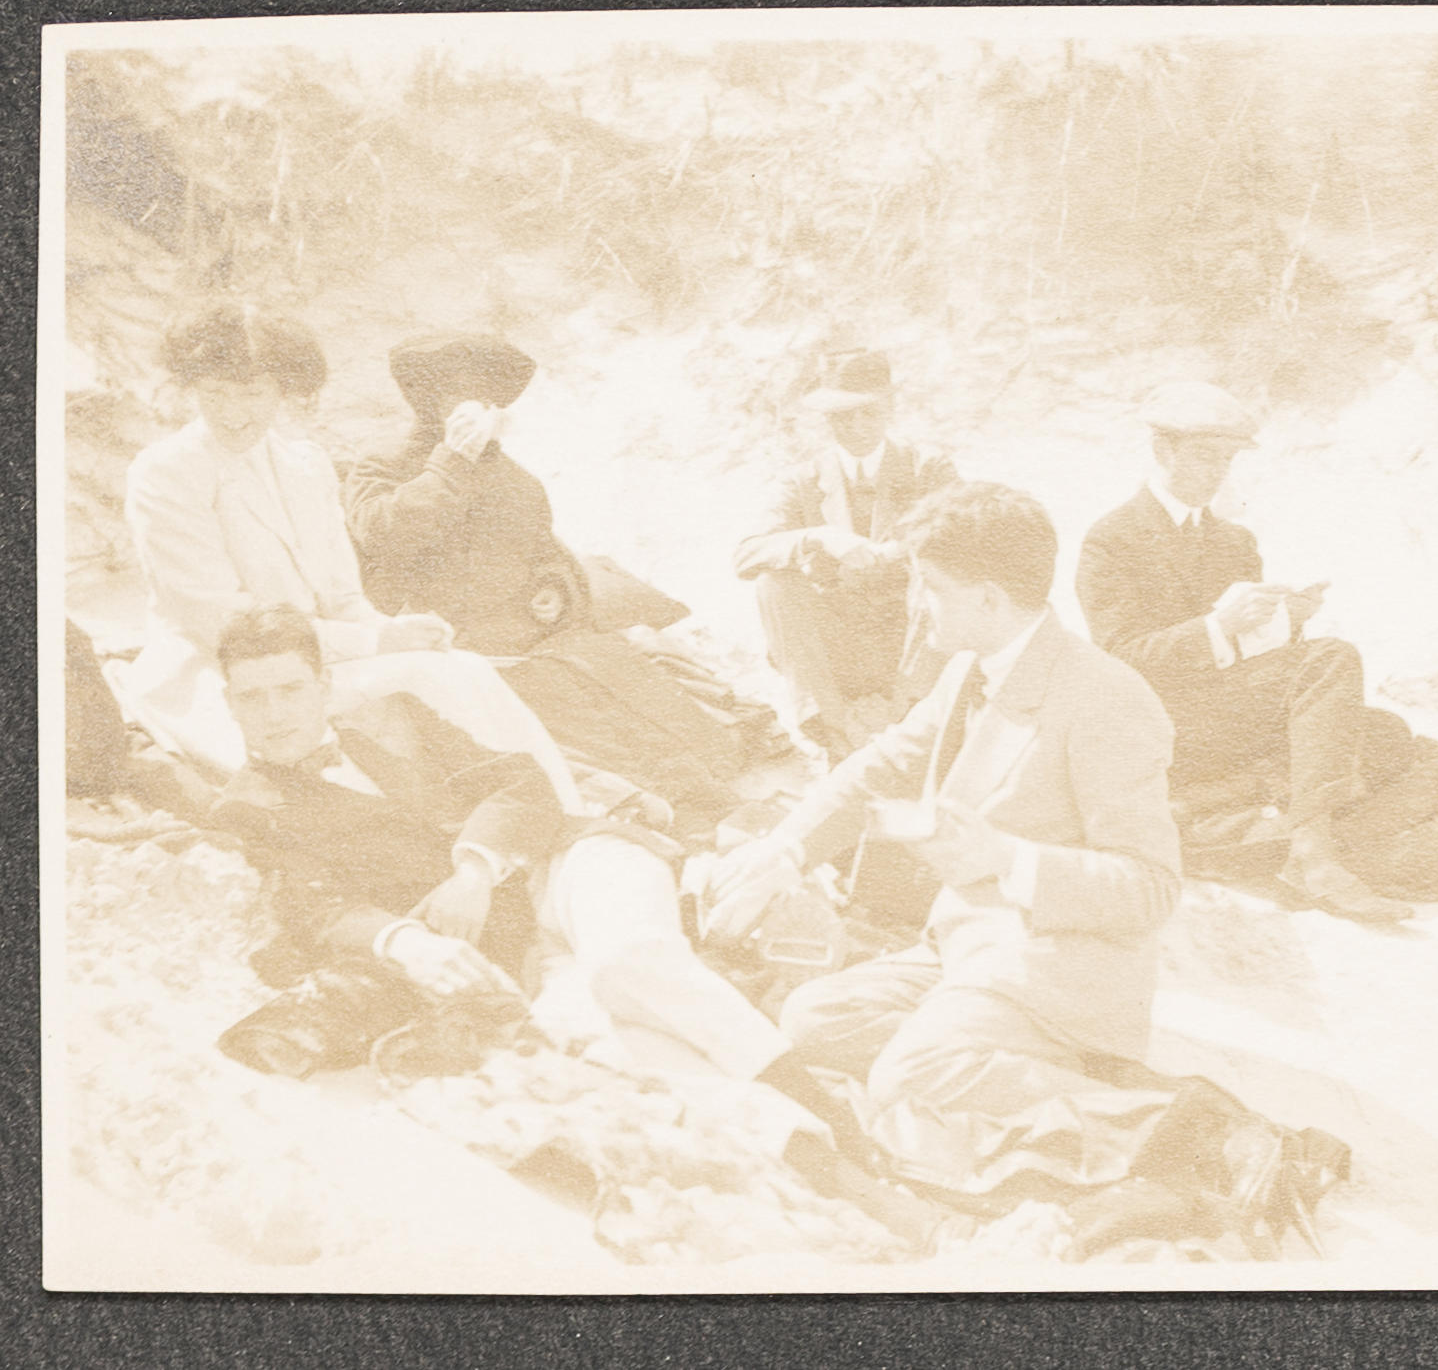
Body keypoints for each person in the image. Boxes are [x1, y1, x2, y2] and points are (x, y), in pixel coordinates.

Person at [703, 483, 1346, 1256]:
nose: (915, 605)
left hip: (1060, 963)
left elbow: (1149, 889)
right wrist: (784, 850)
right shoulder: (969, 668)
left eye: (929, 587)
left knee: (907, 1078)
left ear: (985, 596)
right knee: (810, 1020)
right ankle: (988, 1058)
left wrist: (1008, 859)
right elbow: (879, 767)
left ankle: (1178, 1121)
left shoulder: (1106, 697)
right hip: (968, 947)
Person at [209, 606, 933, 1239]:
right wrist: (402, 940)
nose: (276, 714)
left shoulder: (392, 715)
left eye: (290, 689)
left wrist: (474, 867)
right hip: (520, 950)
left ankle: (821, 1107)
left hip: (568, 859)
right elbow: (312, 905)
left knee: (630, 960)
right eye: (254, 697)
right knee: (617, 1055)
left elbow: (522, 781)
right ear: (230, 705)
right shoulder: (247, 807)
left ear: (325, 685)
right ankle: (833, 1169)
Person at [109, 304, 575, 805]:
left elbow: (342, 595)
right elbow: (224, 626)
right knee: (379, 741)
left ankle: (558, 809)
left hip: (320, 658)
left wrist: (392, 633)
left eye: (253, 393)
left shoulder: (304, 465)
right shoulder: (165, 473)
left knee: (462, 668)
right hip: (228, 673)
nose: (233, 413)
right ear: (191, 388)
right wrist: (375, 642)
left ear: (284, 390)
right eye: (214, 393)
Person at [1076, 382, 1438, 922]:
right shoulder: (1113, 539)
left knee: (1385, 734)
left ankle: (1221, 795)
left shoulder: (1233, 542)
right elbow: (1120, 657)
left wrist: (1284, 623)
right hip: (1170, 721)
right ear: (1163, 451)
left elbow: (1257, 663)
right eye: (1205, 458)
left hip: (1230, 720)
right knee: (1334, 660)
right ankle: (1314, 854)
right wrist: (1216, 627)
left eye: (1226, 460)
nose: (1217, 473)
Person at [344, 333, 772, 833]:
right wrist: (451, 465)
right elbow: (382, 537)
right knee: (579, 737)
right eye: (458, 401)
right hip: (463, 648)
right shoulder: (384, 464)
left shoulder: (513, 478)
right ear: (428, 402)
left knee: (648, 708)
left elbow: (548, 553)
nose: (474, 415)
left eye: (484, 403)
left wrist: (553, 588)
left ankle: (707, 801)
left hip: (544, 634)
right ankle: (666, 817)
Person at [733, 348, 956, 760]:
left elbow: (961, 537)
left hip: (913, 644)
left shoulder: (928, 468)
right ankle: (839, 730)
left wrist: (897, 552)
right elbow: (746, 554)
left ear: (889, 406)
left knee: (939, 569)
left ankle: (903, 718)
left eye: (867, 413)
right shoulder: (803, 480)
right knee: (773, 583)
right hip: (840, 652)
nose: (855, 427)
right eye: (840, 417)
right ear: (825, 419)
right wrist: (818, 538)